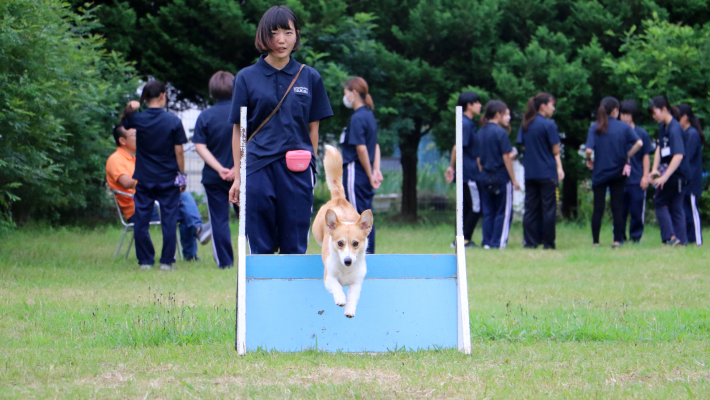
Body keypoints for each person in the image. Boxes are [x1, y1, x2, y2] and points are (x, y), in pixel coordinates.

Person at [228, 6, 333, 254]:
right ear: (263, 36)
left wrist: (311, 166)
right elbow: (238, 131)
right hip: (257, 168)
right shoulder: (246, 77)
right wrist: (238, 175)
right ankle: (262, 292)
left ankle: (293, 293)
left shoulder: (310, 77)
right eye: (274, 33)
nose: (281, 40)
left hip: (296, 169)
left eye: (288, 32)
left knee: (294, 244)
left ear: (296, 34)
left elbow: (313, 128)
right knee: (260, 243)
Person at [122, 81, 200, 270]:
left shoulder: (139, 119)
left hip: (145, 178)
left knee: (141, 220)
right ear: (163, 96)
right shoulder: (173, 121)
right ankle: (166, 262)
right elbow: (179, 152)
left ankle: (145, 261)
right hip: (168, 179)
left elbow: (124, 123)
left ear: (146, 98)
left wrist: (130, 108)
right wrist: (182, 178)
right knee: (169, 220)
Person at [107, 125, 212, 262]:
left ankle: (193, 246)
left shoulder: (136, 158)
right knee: (182, 204)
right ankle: (197, 233)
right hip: (137, 206)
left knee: (182, 200)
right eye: (135, 135)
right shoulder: (116, 159)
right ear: (122, 140)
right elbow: (126, 182)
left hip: (150, 199)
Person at [194, 71, 239, 268]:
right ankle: (255, 259)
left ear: (212, 91)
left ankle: (225, 263)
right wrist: (236, 169)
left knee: (219, 221)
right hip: (242, 177)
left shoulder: (205, 116)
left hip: (214, 177)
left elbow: (199, 146)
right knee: (249, 219)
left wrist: (220, 169)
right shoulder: (242, 114)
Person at [585, 97, 643, 248]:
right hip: (618, 172)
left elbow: (589, 150)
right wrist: (628, 155)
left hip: (600, 173)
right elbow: (639, 143)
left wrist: (588, 159)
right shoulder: (624, 127)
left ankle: (596, 241)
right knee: (617, 207)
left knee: (598, 208)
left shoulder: (595, 127)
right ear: (615, 111)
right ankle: (617, 240)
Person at [340, 76, 382, 254]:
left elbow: (362, 149)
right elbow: (376, 146)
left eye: (346, 93)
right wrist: (375, 170)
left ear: (354, 93)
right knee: (365, 215)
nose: (345, 97)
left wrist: (371, 172)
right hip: (365, 174)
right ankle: (368, 254)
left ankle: (363, 255)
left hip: (355, 172)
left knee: (356, 217)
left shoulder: (357, 118)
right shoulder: (369, 115)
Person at [516, 92, 564, 249]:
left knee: (530, 208)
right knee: (548, 208)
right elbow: (555, 149)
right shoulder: (549, 125)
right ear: (543, 106)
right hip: (547, 171)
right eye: (552, 105)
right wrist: (559, 168)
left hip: (530, 172)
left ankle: (530, 241)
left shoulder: (526, 124)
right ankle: (548, 242)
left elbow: (522, 145)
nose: (554, 108)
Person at [476, 100, 521, 250]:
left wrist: (482, 171)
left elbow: (478, 158)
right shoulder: (500, 133)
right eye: (507, 114)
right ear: (498, 114)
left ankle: (487, 242)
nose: (509, 118)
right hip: (501, 176)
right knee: (503, 211)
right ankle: (498, 242)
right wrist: (513, 179)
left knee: (488, 212)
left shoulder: (480, 132)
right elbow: (506, 156)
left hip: (484, 177)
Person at [648, 96, 689, 246]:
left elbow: (678, 155)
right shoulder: (663, 128)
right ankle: (681, 241)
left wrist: (665, 177)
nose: (654, 117)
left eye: (655, 113)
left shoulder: (675, 128)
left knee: (660, 202)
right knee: (676, 207)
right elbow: (660, 148)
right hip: (668, 172)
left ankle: (670, 238)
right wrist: (654, 169)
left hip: (677, 174)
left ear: (664, 109)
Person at [445, 91, 483, 248]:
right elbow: (457, 146)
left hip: (466, 172)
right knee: (476, 206)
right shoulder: (466, 124)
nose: (480, 106)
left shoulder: (466, 122)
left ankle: (460, 239)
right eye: (478, 102)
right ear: (469, 105)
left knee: (465, 206)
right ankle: (464, 239)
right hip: (468, 173)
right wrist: (452, 167)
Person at [618, 100, 654, 243]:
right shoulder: (617, 131)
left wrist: (646, 176)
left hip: (637, 177)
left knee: (637, 210)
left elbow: (646, 156)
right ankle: (619, 237)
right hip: (619, 178)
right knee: (620, 210)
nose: (624, 117)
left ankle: (636, 237)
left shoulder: (641, 133)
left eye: (627, 114)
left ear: (633, 115)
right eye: (622, 114)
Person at [677, 103, 704, 246]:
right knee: (684, 211)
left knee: (692, 210)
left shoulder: (692, 134)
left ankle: (698, 240)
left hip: (692, 179)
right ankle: (688, 238)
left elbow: (686, 156)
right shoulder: (684, 133)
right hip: (684, 179)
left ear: (685, 117)